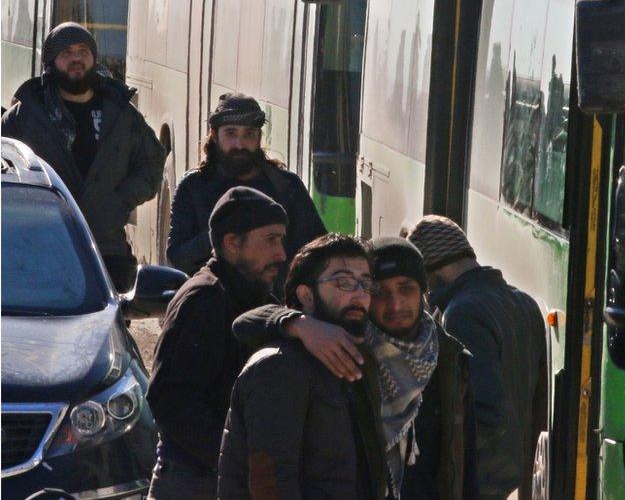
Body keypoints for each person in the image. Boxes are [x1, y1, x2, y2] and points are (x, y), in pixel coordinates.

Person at [233, 237, 478, 499]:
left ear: (423, 293)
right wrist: (297, 323)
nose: (395, 305)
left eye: (406, 289)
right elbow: (244, 324)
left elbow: (465, 463)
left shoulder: (450, 359)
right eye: (380, 293)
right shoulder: (344, 347)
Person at [145, 187, 288, 499]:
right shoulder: (205, 298)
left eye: (281, 240)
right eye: (270, 240)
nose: (281, 253)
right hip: (195, 481)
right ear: (232, 244)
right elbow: (171, 399)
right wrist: (231, 460)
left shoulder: (254, 295)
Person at [218, 234, 386, 499]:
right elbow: (270, 483)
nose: (359, 295)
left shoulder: (358, 357)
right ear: (306, 294)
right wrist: (295, 323)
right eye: (344, 282)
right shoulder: (279, 367)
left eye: (365, 284)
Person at [1, 22, 165, 291]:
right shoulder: (25, 116)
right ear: (51, 63)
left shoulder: (121, 113)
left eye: (83, 51)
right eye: (66, 53)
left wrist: (120, 200)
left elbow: (152, 163)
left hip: (106, 249)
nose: (76, 58)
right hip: (39, 249)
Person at [407, 214, 547, 499]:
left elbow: (481, 410)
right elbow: (539, 401)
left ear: (432, 274)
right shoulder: (524, 302)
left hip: (478, 478)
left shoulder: (462, 313)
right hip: (513, 470)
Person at [166, 92, 325, 292]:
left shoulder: (286, 186)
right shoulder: (194, 186)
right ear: (215, 135)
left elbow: (317, 253)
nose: (240, 144)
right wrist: (221, 235)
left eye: (249, 134)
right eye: (231, 133)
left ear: (259, 137)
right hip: (213, 304)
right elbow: (177, 257)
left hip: (273, 309)